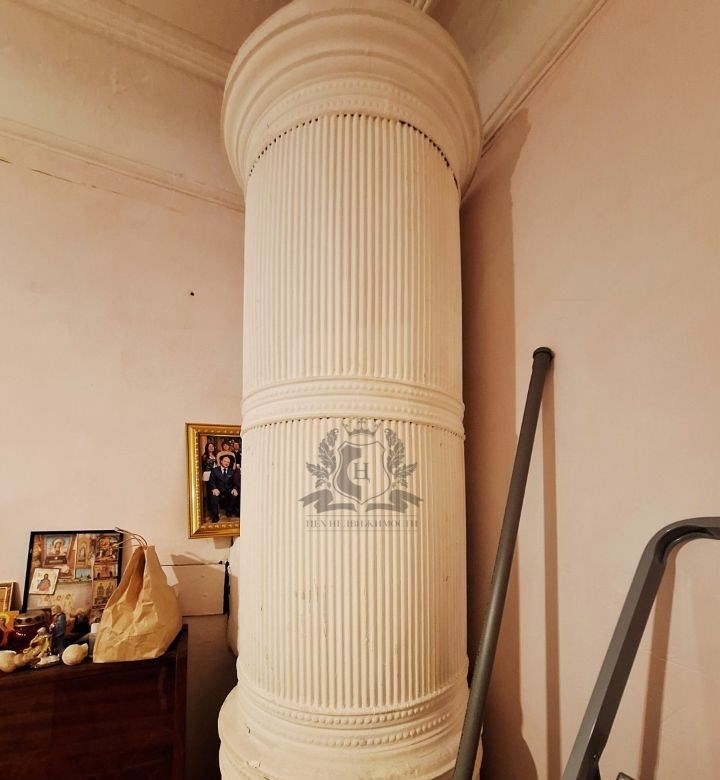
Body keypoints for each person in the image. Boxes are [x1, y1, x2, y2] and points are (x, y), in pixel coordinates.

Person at [207, 454, 240, 522]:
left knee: (235, 495)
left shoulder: (231, 471)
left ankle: (229, 512)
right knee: (213, 496)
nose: (226, 463)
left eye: (228, 462)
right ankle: (215, 515)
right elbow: (211, 481)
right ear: (221, 461)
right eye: (225, 461)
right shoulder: (215, 470)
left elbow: (235, 482)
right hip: (218, 490)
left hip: (228, 490)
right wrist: (214, 488)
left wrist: (235, 488)